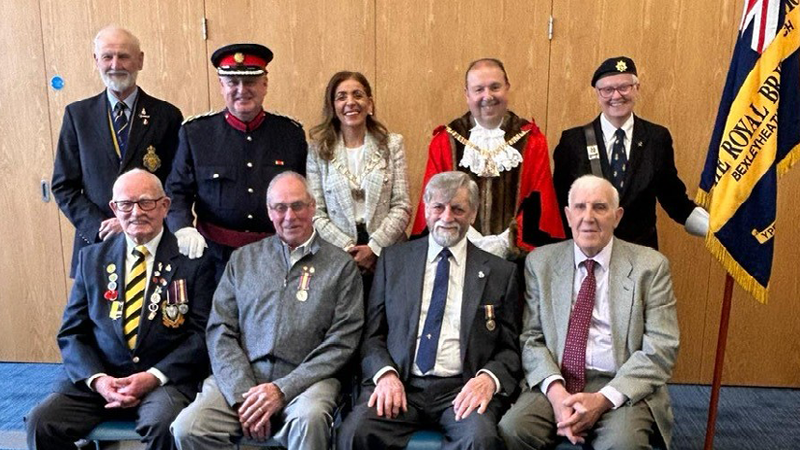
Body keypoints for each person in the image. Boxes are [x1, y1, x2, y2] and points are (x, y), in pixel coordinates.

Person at [171, 172, 364, 450]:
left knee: (310, 420)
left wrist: (282, 390)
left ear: (312, 208)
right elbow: (219, 330)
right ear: (269, 212)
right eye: (280, 208)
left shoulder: (341, 266)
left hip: (308, 383)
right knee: (189, 427)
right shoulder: (243, 259)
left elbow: (342, 342)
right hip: (242, 379)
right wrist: (243, 396)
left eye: (298, 206)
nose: (290, 216)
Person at [26, 169, 215, 450]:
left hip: (163, 380)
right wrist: (99, 380)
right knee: (42, 422)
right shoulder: (92, 259)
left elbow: (201, 335)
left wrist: (153, 376)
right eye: (126, 204)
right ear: (114, 208)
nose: (136, 212)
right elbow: (71, 333)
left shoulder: (193, 261)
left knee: (165, 425)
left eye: (146, 202)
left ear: (165, 206)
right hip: (101, 378)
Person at [338, 171, 520, 450]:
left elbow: (509, 349)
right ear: (426, 210)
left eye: (457, 208)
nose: (447, 217)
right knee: (355, 432)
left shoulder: (500, 272)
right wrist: (385, 375)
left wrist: (487, 379)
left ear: (472, 214)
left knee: (480, 440)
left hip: (462, 390)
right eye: (439, 207)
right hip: (401, 384)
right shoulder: (393, 261)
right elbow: (372, 335)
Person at [498, 175, 680, 450]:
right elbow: (531, 338)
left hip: (621, 381)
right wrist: (557, 394)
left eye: (600, 207)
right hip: (558, 377)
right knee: (513, 430)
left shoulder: (650, 267)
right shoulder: (541, 262)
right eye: (580, 207)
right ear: (568, 216)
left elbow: (661, 349)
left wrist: (603, 399)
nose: (588, 217)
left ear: (617, 216)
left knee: (622, 445)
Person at [166, 43, 308, 281]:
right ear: (222, 86)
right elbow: (177, 191)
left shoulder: (290, 134)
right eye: (233, 82)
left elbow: (307, 194)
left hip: (277, 255)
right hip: (214, 258)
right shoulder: (196, 134)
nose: (242, 90)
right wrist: (182, 228)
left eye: (250, 82)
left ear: (265, 85)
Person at [52, 25, 183, 277]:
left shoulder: (167, 116)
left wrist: (135, 221)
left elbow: (176, 183)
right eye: (107, 56)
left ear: (140, 60)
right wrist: (100, 226)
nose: (115, 64)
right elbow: (63, 185)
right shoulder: (77, 116)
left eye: (124, 56)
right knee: (92, 316)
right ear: (96, 61)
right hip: (96, 245)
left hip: (152, 243)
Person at [411, 58, 564, 259]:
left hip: (515, 258)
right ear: (467, 94)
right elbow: (433, 203)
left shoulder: (532, 140)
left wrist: (506, 241)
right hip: (455, 252)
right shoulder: (444, 141)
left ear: (507, 88)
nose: (487, 96)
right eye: (479, 89)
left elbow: (540, 201)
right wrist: (468, 237)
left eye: (495, 87)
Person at [552, 56, 709, 249]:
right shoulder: (573, 141)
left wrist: (716, 231)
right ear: (597, 94)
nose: (616, 96)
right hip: (586, 254)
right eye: (607, 90)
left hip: (639, 258)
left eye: (624, 87)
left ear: (636, 88)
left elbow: (675, 201)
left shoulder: (657, 138)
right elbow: (559, 205)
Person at [307, 71, 411, 276]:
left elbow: (402, 205)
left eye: (357, 95)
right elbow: (315, 213)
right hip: (337, 254)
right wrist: (348, 248)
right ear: (333, 106)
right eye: (341, 96)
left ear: (369, 103)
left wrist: (374, 247)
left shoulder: (392, 144)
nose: (350, 102)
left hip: (387, 252)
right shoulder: (318, 150)